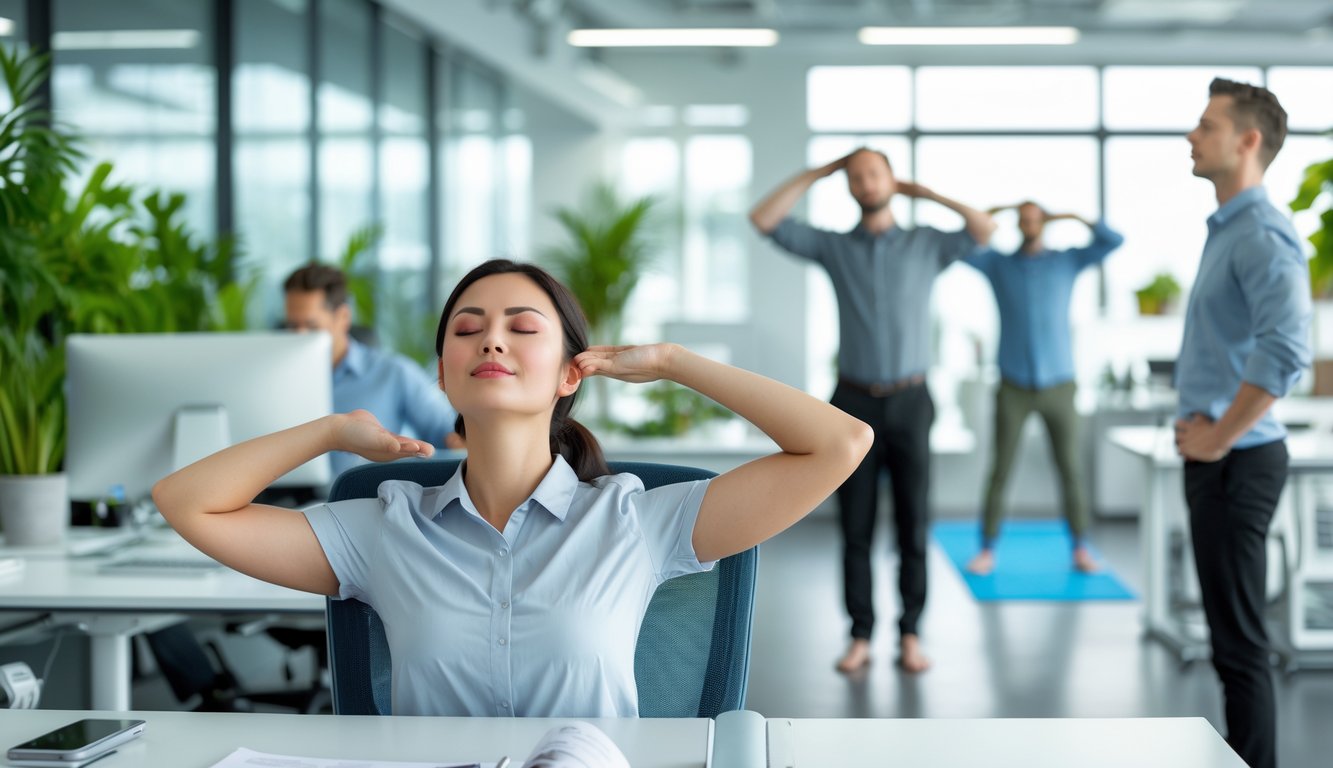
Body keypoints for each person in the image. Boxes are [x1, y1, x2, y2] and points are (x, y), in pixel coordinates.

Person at [154, 258, 873, 718]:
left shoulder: (636, 521)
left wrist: (675, 363)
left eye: (521, 328)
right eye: (467, 330)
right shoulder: (381, 529)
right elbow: (186, 502)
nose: (490, 341)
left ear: (571, 374)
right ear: (442, 375)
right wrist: (329, 431)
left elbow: (840, 444)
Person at [749, 148, 995, 674]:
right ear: (850, 185)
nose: (866, 182)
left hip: (912, 399)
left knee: (914, 522)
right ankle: (860, 634)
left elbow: (983, 228)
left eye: (874, 173)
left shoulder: (927, 242)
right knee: (854, 527)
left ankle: (910, 634)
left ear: (890, 180)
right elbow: (764, 220)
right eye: (856, 176)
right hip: (852, 404)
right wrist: (819, 171)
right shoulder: (835, 247)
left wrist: (925, 194)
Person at [1175, 78, 1310, 768]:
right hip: (1217, 461)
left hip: (1237, 462)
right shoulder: (1228, 229)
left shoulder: (1259, 233)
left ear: (1247, 140)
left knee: (1239, 647)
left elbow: (1286, 349)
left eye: (1205, 125)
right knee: (1230, 646)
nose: (1190, 137)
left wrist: (1219, 435)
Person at [959, 202, 1125, 576]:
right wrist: (993, 211)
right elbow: (962, 245)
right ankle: (987, 548)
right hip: (1012, 384)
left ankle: (1080, 547)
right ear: (1019, 223)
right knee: (1000, 469)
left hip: (1060, 385)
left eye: (1037, 218)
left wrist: (1073, 215)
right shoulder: (999, 265)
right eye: (1025, 218)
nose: (1030, 223)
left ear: (1044, 222)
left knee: (1070, 468)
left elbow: (1114, 241)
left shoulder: (1067, 261)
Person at [283, 264, 462, 474]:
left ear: (342, 317)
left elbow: (452, 439)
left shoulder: (395, 372)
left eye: (312, 327)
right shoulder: (275, 378)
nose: (300, 337)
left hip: (358, 499)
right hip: (280, 496)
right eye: (292, 326)